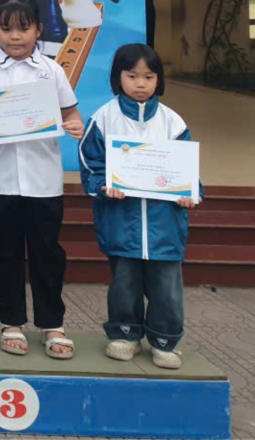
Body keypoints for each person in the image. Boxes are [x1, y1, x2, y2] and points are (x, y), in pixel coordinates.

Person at [0, 0, 85, 360]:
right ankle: (11, 322)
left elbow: (71, 113)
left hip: (43, 180)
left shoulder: (52, 70)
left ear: (38, 30)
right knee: (5, 251)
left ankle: (53, 324)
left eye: (23, 28)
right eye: (6, 28)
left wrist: (75, 125)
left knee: (48, 253)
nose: (15, 36)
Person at [79, 43, 201, 369]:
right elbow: (91, 164)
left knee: (167, 287)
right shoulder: (104, 118)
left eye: (149, 76)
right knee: (124, 282)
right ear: (118, 77)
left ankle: (165, 341)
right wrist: (103, 187)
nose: (141, 83)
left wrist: (190, 192)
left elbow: (186, 168)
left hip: (165, 223)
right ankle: (124, 335)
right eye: (132, 76)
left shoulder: (172, 121)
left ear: (159, 79)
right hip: (122, 220)